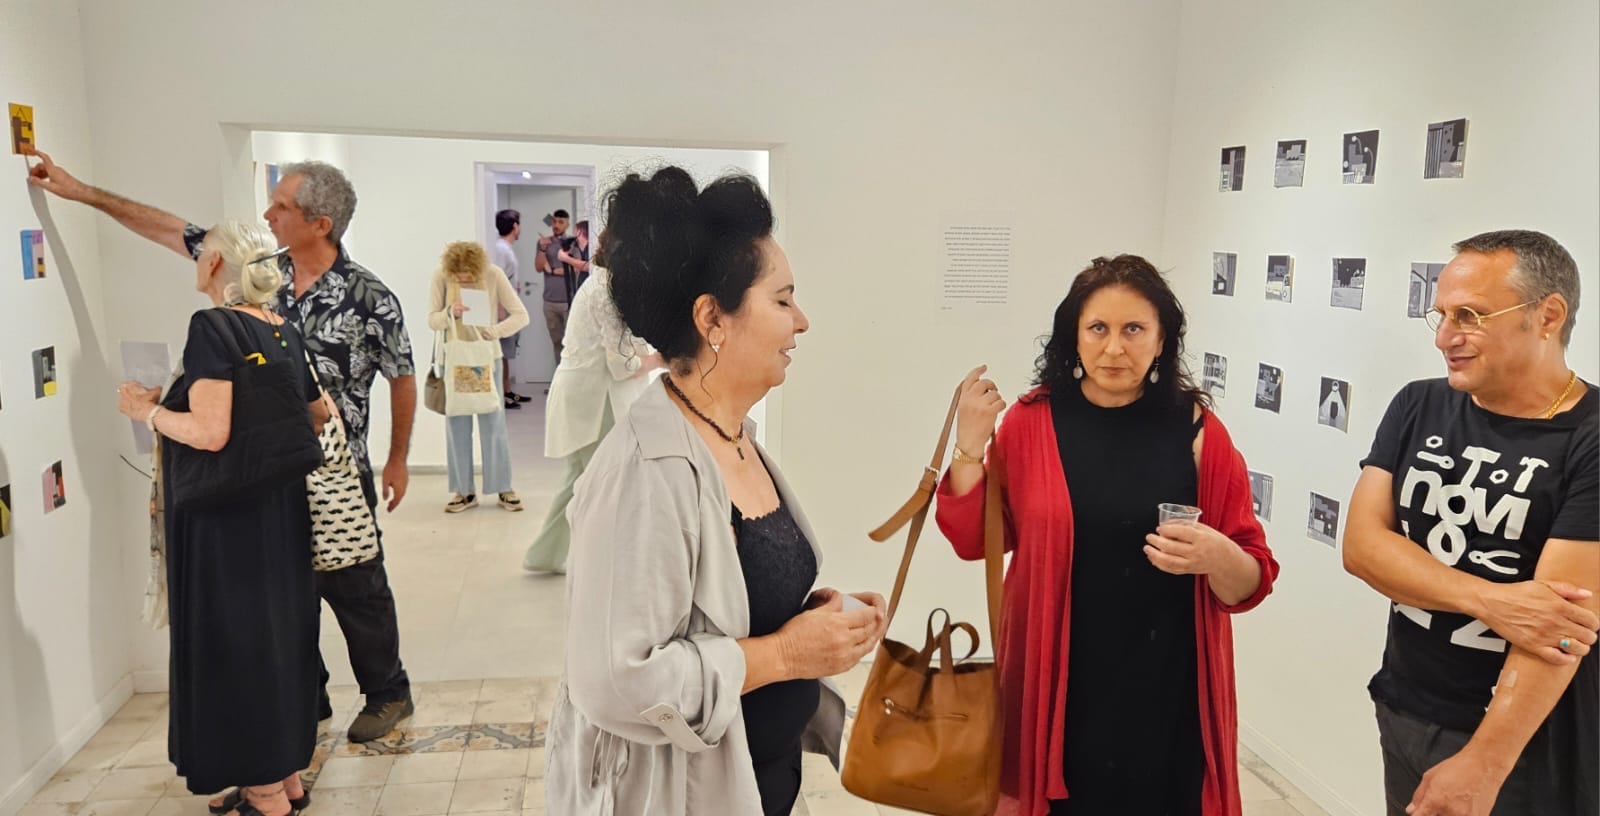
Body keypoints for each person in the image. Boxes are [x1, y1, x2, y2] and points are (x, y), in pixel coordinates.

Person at [27, 151, 420, 743]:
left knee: (356, 585)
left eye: (281, 206)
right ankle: (305, 697)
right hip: (264, 472)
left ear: (320, 224)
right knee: (286, 591)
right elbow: (172, 230)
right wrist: (82, 191)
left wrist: (397, 459)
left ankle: (388, 693)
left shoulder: (369, 296)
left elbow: (402, 376)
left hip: (334, 469)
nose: (267, 214)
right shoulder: (257, 268)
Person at [544, 167, 888, 816]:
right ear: (712, 318)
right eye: (783, 301)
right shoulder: (646, 474)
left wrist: (811, 616)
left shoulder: (731, 435)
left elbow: (724, 600)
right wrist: (787, 653)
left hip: (761, 778)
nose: (802, 321)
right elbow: (617, 679)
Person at [935, 254, 1280, 816]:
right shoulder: (1030, 423)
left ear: (1162, 339)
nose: (1115, 348)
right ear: (1073, 336)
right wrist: (970, 447)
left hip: (1168, 684)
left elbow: (1250, 580)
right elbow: (975, 540)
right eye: (1098, 328)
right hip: (1059, 684)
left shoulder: (1200, 433)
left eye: (1134, 329)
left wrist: (1218, 554)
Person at [1344, 229, 1598, 816]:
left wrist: (1486, 761)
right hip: (1405, 707)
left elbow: (1560, 628)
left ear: (1548, 316)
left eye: (1470, 316)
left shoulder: (1589, 436)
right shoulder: (1418, 403)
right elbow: (1362, 546)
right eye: (1440, 316)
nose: (1444, 338)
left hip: (1525, 743)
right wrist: (1491, 600)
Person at [114, 220, 328, 816]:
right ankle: (285, 777)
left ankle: (265, 794)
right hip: (279, 515)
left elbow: (211, 433)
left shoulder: (211, 327)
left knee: (236, 645)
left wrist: (145, 411)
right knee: (277, 637)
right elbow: (320, 412)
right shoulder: (281, 327)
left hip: (225, 524)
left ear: (212, 265)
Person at [523, 231, 662, 572]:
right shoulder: (607, 291)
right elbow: (621, 365)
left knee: (581, 480)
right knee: (602, 484)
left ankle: (545, 554)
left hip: (588, 396)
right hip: (592, 400)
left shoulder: (603, 285)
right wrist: (662, 360)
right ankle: (594, 561)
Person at [426, 240, 529, 512]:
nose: (464, 279)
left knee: (494, 424)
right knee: (456, 426)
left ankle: (503, 487)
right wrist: (450, 313)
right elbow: (432, 319)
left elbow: (521, 315)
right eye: (459, 276)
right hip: (454, 358)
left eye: (469, 276)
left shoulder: (493, 275)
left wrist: (494, 331)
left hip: (486, 358)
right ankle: (463, 491)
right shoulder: (441, 276)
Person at [490, 208, 529, 409]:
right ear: (515, 226)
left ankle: (507, 390)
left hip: (509, 306)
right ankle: (502, 394)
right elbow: (497, 281)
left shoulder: (505, 248)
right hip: (503, 310)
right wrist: (501, 310)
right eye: (519, 224)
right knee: (503, 352)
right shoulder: (501, 249)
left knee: (507, 352)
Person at [536, 209, 572, 369]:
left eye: (561, 222)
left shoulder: (572, 242)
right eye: (554, 221)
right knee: (557, 342)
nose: (556, 225)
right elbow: (538, 267)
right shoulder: (544, 243)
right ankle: (559, 377)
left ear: (567, 224)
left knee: (571, 342)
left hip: (568, 301)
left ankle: (571, 378)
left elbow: (576, 268)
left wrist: (553, 270)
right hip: (550, 302)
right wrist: (543, 249)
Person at [558, 218, 592, 295]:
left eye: (575, 231)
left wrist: (566, 258)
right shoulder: (581, 249)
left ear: (578, 232)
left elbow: (589, 266)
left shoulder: (590, 248)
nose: (573, 234)